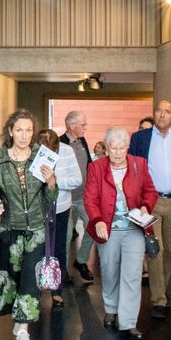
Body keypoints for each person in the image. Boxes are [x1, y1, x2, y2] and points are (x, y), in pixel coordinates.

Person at [0, 109, 58, 340]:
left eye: (28, 130)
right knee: (12, 278)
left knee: (30, 278)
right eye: (19, 130)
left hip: (35, 228)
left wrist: (52, 183)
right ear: (11, 132)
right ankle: (17, 318)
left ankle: (23, 329)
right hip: (9, 228)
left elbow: (50, 197)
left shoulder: (41, 157)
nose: (24, 135)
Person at [84, 126, 158, 340]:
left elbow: (150, 191)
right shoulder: (97, 167)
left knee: (132, 275)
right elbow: (90, 198)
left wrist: (145, 205)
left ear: (128, 147)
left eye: (121, 148)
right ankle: (111, 308)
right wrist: (97, 220)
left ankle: (128, 323)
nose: (117, 152)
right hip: (108, 228)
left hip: (134, 228)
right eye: (113, 148)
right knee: (108, 270)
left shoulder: (139, 164)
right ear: (106, 148)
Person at [129, 100, 171, 319]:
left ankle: (161, 289)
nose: (162, 115)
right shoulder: (140, 139)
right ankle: (159, 300)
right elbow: (133, 169)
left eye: (167, 112)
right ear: (154, 114)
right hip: (151, 202)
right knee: (155, 249)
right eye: (159, 111)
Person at [36, 128, 83, 305]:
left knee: (59, 249)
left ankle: (57, 289)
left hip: (61, 208)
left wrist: (55, 181)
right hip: (37, 209)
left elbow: (77, 179)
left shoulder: (67, 151)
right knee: (37, 248)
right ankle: (36, 286)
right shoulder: (33, 152)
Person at [60, 111, 95, 283]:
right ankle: (63, 270)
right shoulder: (58, 144)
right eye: (83, 124)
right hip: (65, 199)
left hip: (83, 197)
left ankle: (81, 261)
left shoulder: (83, 142)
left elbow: (89, 165)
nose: (85, 128)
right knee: (66, 236)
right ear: (72, 126)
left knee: (93, 227)